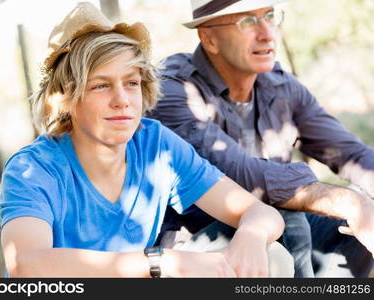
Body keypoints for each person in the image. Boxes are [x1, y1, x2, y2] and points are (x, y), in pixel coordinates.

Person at [0, 2, 293, 278]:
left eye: (131, 83)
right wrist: (159, 262)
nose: (122, 100)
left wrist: (252, 234)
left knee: (272, 255)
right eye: (101, 85)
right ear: (65, 99)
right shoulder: (32, 168)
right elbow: (26, 265)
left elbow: (259, 212)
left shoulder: (155, 145)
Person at [147, 0, 374, 277]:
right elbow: (243, 176)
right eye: (247, 21)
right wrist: (348, 201)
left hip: (270, 235)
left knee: (362, 215)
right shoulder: (172, 91)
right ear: (209, 38)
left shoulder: (281, 85)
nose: (267, 33)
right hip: (193, 250)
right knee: (287, 215)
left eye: (269, 16)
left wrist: (363, 203)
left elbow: (353, 155)